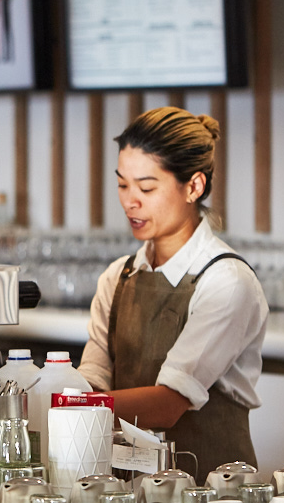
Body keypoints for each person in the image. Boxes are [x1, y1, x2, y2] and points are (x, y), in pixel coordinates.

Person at [79, 106, 268, 479]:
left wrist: (62, 406)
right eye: (122, 185)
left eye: (147, 188)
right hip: (125, 492)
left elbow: (168, 403)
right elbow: (94, 374)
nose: (130, 201)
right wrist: (62, 392)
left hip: (210, 494)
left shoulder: (225, 280)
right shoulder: (118, 277)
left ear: (194, 186)